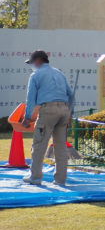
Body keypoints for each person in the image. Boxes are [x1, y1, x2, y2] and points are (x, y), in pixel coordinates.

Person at [21, 50, 73, 186]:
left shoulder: (36, 75)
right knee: (60, 147)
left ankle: (35, 177)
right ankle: (60, 180)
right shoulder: (59, 73)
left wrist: (27, 117)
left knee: (39, 144)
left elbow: (31, 99)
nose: (32, 65)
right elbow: (70, 94)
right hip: (64, 110)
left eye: (32, 62)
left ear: (38, 60)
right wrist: (70, 114)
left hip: (48, 110)